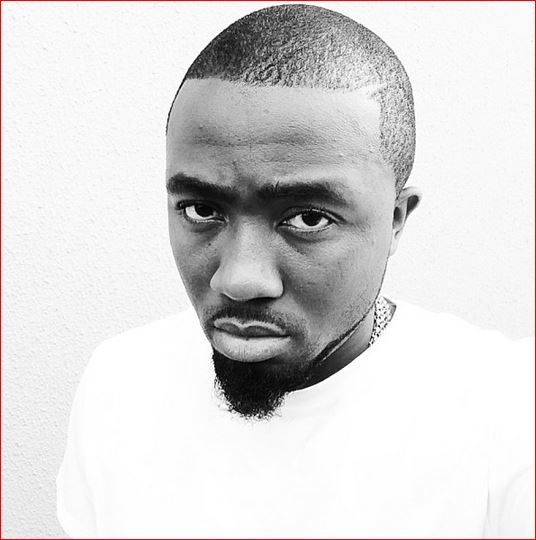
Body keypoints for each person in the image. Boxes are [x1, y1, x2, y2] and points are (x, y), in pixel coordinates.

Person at [56, 4, 534, 538]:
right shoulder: (120, 385)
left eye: (307, 218)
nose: (239, 279)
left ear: (396, 218)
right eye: (202, 210)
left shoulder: (508, 411)